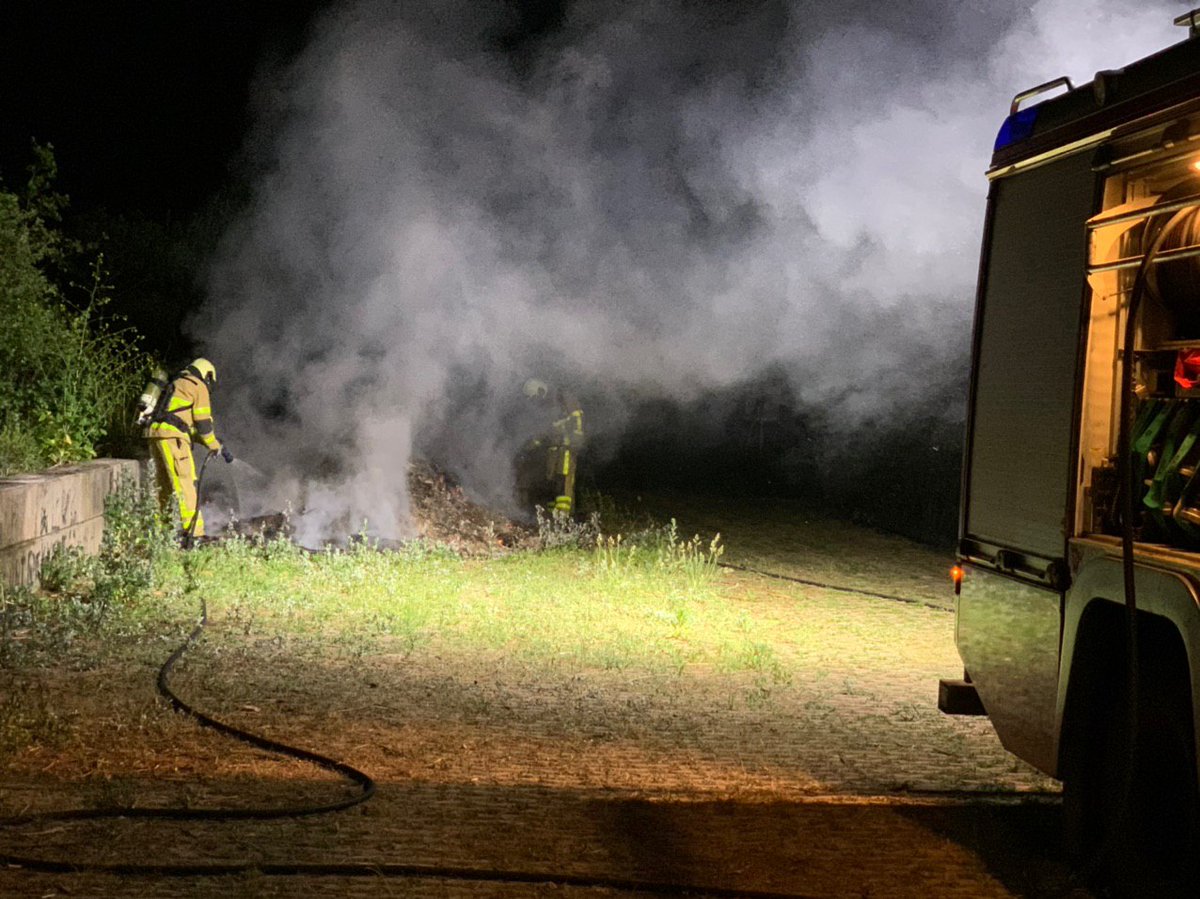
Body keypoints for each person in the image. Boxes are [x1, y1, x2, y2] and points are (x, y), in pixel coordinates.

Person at [143, 357, 232, 540]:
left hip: (155, 435)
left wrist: (213, 443)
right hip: (173, 439)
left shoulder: (176, 383)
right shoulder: (197, 386)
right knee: (186, 483)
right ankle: (194, 534)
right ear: (207, 375)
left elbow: (183, 425)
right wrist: (213, 444)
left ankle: (162, 532)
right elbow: (203, 424)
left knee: (164, 486)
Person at [521, 378, 585, 516]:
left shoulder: (563, 397)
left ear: (540, 390)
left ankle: (564, 518)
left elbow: (577, 417)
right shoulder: (547, 406)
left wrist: (576, 439)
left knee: (564, 480)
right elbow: (543, 432)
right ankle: (553, 517)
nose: (535, 401)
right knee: (551, 483)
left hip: (567, 447)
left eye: (534, 397)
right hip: (553, 450)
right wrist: (529, 447)